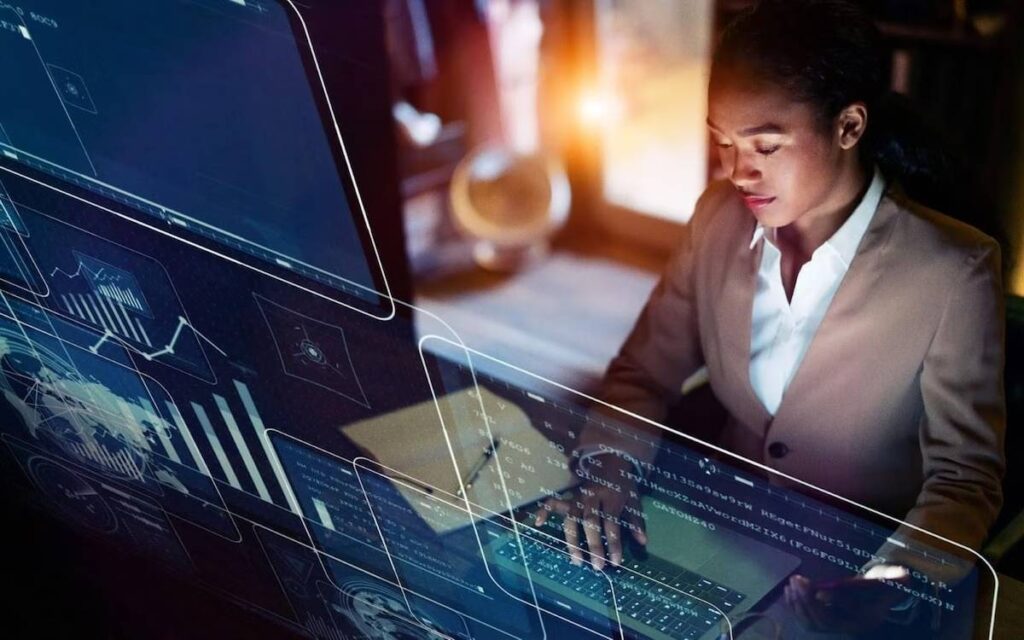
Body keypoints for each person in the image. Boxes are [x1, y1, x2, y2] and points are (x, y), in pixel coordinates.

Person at [536, 0, 1005, 632]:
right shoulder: (717, 218)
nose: (737, 171)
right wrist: (608, 474)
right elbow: (643, 374)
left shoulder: (953, 271)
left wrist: (897, 580)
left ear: (849, 126)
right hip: (720, 541)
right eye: (723, 142)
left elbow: (964, 478)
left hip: (848, 583)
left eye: (765, 145)